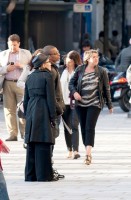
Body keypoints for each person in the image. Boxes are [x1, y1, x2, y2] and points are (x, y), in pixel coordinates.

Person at [69, 49, 113, 165]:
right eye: (93, 57)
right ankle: (87, 149)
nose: (96, 59)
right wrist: (74, 93)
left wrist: (109, 104)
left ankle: (88, 154)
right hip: (80, 104)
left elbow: (106, 88)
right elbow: (71, 84)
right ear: (87, 59)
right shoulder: (80, 69)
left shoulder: (102, 71)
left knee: (89, 127)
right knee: (83, 128)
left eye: (97, 57)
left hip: (95, 103)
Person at [23, 53, 58, 182]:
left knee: (32, 143)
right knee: (43, 141)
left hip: (31, 109)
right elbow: (51, 99)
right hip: (43, 108)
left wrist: (28, 115)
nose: (50, 64)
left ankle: (31, 175)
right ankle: (44, 175)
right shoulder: (47, 76)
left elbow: (25, 100)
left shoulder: (30, 77)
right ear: (43, 64)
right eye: (48, 62)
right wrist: (53, 117)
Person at [0, 34, 32, 141]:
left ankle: (24, 133)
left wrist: (21, 66)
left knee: (23, 108)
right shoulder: (2, 54)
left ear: (19, 44)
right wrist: (6, 69)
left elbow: (32, 68)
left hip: (21, 84)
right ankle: (12, 134)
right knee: (9, 110)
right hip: (7, 83)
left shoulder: (26, 53)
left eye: (14, 45)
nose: (12, 47)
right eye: (10, 45)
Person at [59, 50, 82, 159]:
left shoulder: (79, 71)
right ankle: (69, 149)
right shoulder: (60, 70)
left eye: (71, 60)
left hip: (75, 103)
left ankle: (76, 150)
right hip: (63, 102)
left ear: (75, 61)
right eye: (68, 59)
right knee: (66, 126)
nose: (68, 62)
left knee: (74, 125)